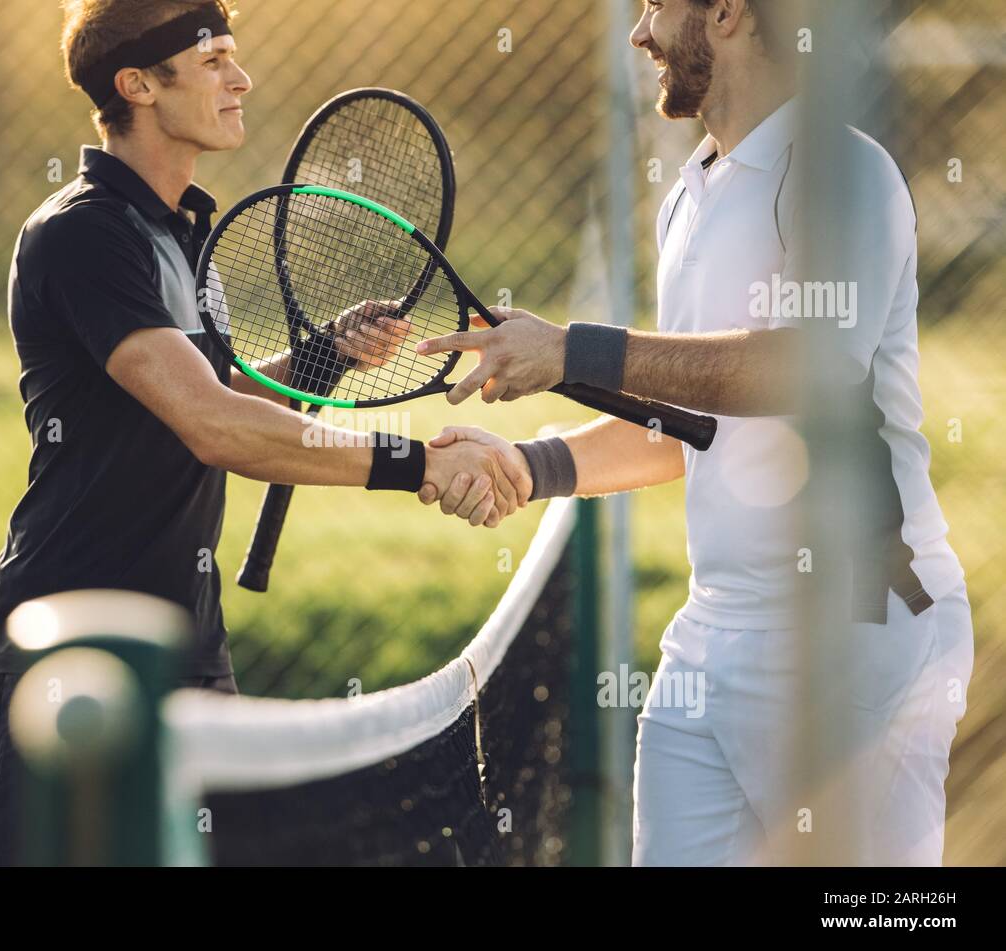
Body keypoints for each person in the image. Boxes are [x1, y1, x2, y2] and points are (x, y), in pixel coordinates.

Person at [416, 0, 972, 865]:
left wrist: (571, 349)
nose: (639, 34)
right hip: (712, 636)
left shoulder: (844, 175)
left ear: (724, 12)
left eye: (653, 7)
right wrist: (530, 465)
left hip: (861, 633)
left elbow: (810, 370)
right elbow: (689, 428)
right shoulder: (688, 197)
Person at [0, 0, 522, 866]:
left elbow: (223, 388)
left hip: (189, 635)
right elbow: (216, 427)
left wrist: (323, 358)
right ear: (138, 85)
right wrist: (416, 465)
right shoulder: (82, 234)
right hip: (79, 640)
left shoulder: (183, 231)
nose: (243, 79)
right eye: (215, 60)